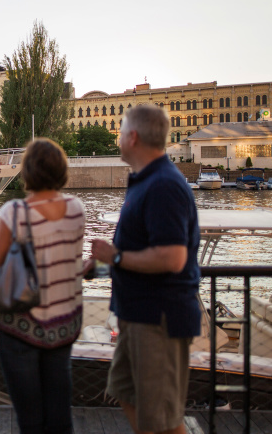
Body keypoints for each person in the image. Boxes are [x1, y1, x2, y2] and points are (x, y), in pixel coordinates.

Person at [91, 105, 200, 434]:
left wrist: (116, 259)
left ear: (133, 137)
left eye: (121, 131)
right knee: (124, 392)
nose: (118, 137)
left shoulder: (164, 186)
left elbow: (172, 258)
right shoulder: (146, 181)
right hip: (137, 315)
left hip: (158, 320)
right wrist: (104, 262)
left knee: (162, 418)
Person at [0, 138, 87, 434]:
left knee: (30, 420)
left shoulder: (15, 213)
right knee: (59, 416)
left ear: (28, 172)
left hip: (21, 327)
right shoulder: (77, 209)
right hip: (64, 325)